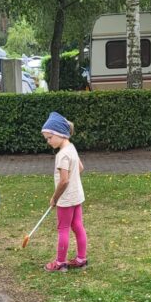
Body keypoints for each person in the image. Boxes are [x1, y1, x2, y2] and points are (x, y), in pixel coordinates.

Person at [41, 112, 88, 272]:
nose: (48, 142)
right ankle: (81, 259)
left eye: (49, 138)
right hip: (77, 196)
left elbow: (64, 180)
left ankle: (60, 262)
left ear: (59, 134)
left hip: (66, 200)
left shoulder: (62, 155)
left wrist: (55, 198)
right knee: (77, 225)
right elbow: (80, 168)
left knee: (63, 229)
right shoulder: (71, 148)